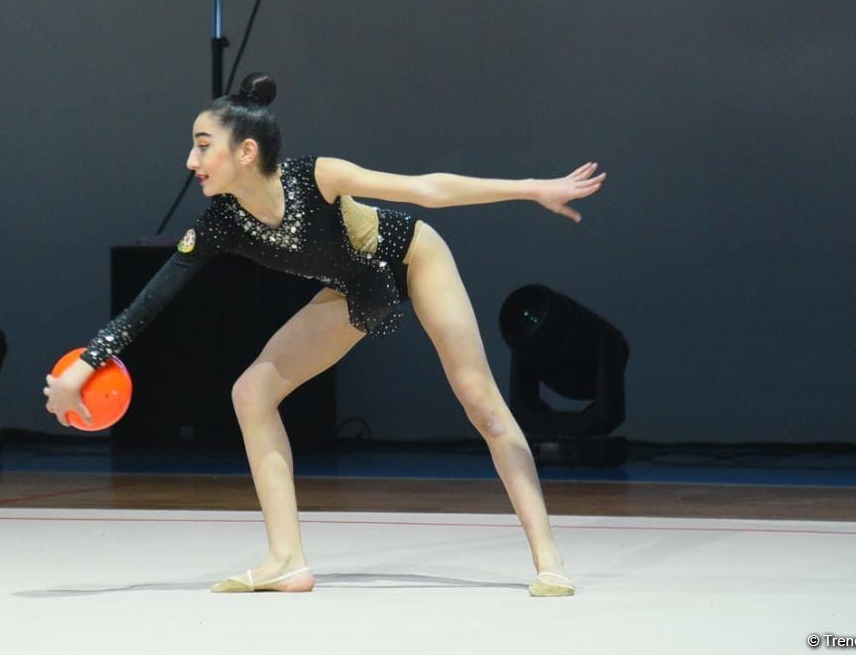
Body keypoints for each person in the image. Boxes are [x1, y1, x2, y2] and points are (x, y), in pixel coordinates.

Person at [43, 72, 607, 597]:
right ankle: (286, 559)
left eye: (202, 144)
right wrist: (88, 364)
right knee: (251, 393)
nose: (190, 160)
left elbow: (428, 190)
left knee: (480, 403)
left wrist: (534, 187)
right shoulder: (220, 223)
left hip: (414, 257)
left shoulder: (317, 176)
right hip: (354, 289)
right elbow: (154, 300)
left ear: (246, 151)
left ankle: (548, 558)